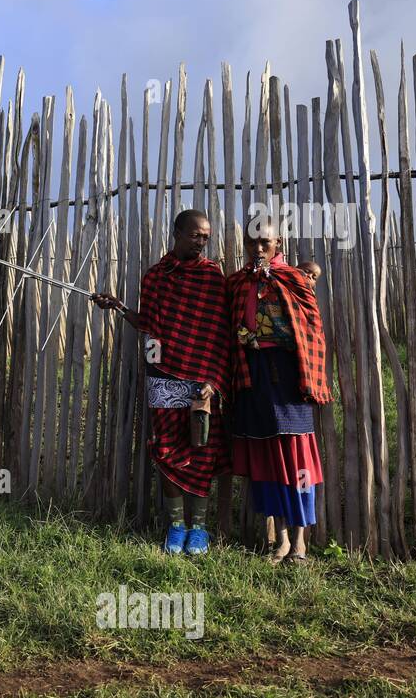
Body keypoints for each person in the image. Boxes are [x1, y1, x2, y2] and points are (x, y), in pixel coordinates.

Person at [92, 209, 232, 556]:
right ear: (177, 233)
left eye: (206, 236)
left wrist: (214, 380)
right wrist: (118, 307)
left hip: (202, 378)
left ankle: (199, 528)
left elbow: (221, 332)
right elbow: (149, 324)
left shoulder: (213, 276)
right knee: (167, 450)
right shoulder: (155, 277)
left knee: (203, 449)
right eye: (195, 235)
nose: (202, 242)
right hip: (164, 375)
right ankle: (176, 526)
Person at [227, 220, 331, 564]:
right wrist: (249, 339)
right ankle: (280, 540)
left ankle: (301, 541)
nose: (258, 249)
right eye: (251, 242)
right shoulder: (238, 283)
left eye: (265, 242)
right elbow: (232, 328)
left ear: (279, 242)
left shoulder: (294, 279)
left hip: (289, 376)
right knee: (266, 454)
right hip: (253, 375)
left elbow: (310, 329)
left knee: (297, 453)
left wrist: (276, 340)